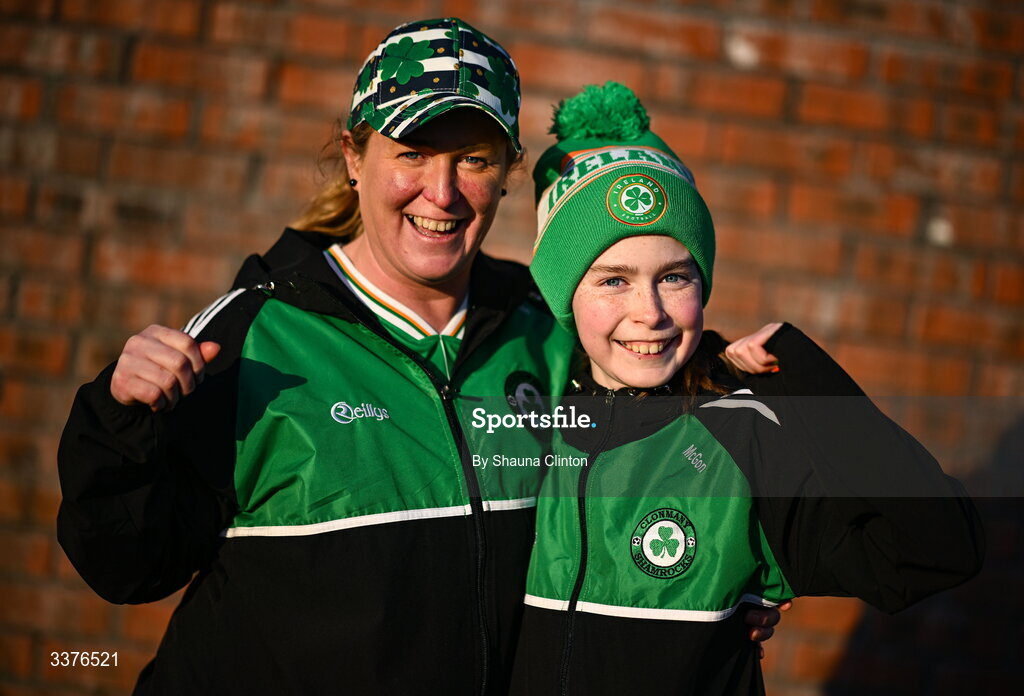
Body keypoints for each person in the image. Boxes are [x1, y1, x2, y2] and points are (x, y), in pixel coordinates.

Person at [56, 20, 783, 695]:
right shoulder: (253, 337)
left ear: (506, 171)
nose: (442, 192)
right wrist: (121, 422)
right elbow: (127, 564)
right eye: (412, 153)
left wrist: (717, 592)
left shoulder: (550, 331)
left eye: (472, 159)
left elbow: (642, 485)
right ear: (353, 155)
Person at [509, 82, 985, 695]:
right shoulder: (529, 413)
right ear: (563, 295)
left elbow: (939, 548)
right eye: (613, 280)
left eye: (674, 276)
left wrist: (803, 380)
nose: (649, 311)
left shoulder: (742, 436)